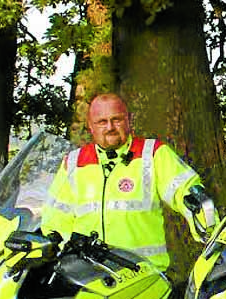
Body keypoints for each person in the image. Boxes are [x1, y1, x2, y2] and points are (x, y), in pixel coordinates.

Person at [42, 93, 212, 272]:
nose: (110, 127)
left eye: (117, 120)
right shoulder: (74, 163)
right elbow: (55, 221)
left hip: (143, 275)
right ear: (91, 126)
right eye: (102, 122)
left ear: (129, 121)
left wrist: (210, 233)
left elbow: (189, 194)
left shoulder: (153, 154)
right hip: (88, 278)